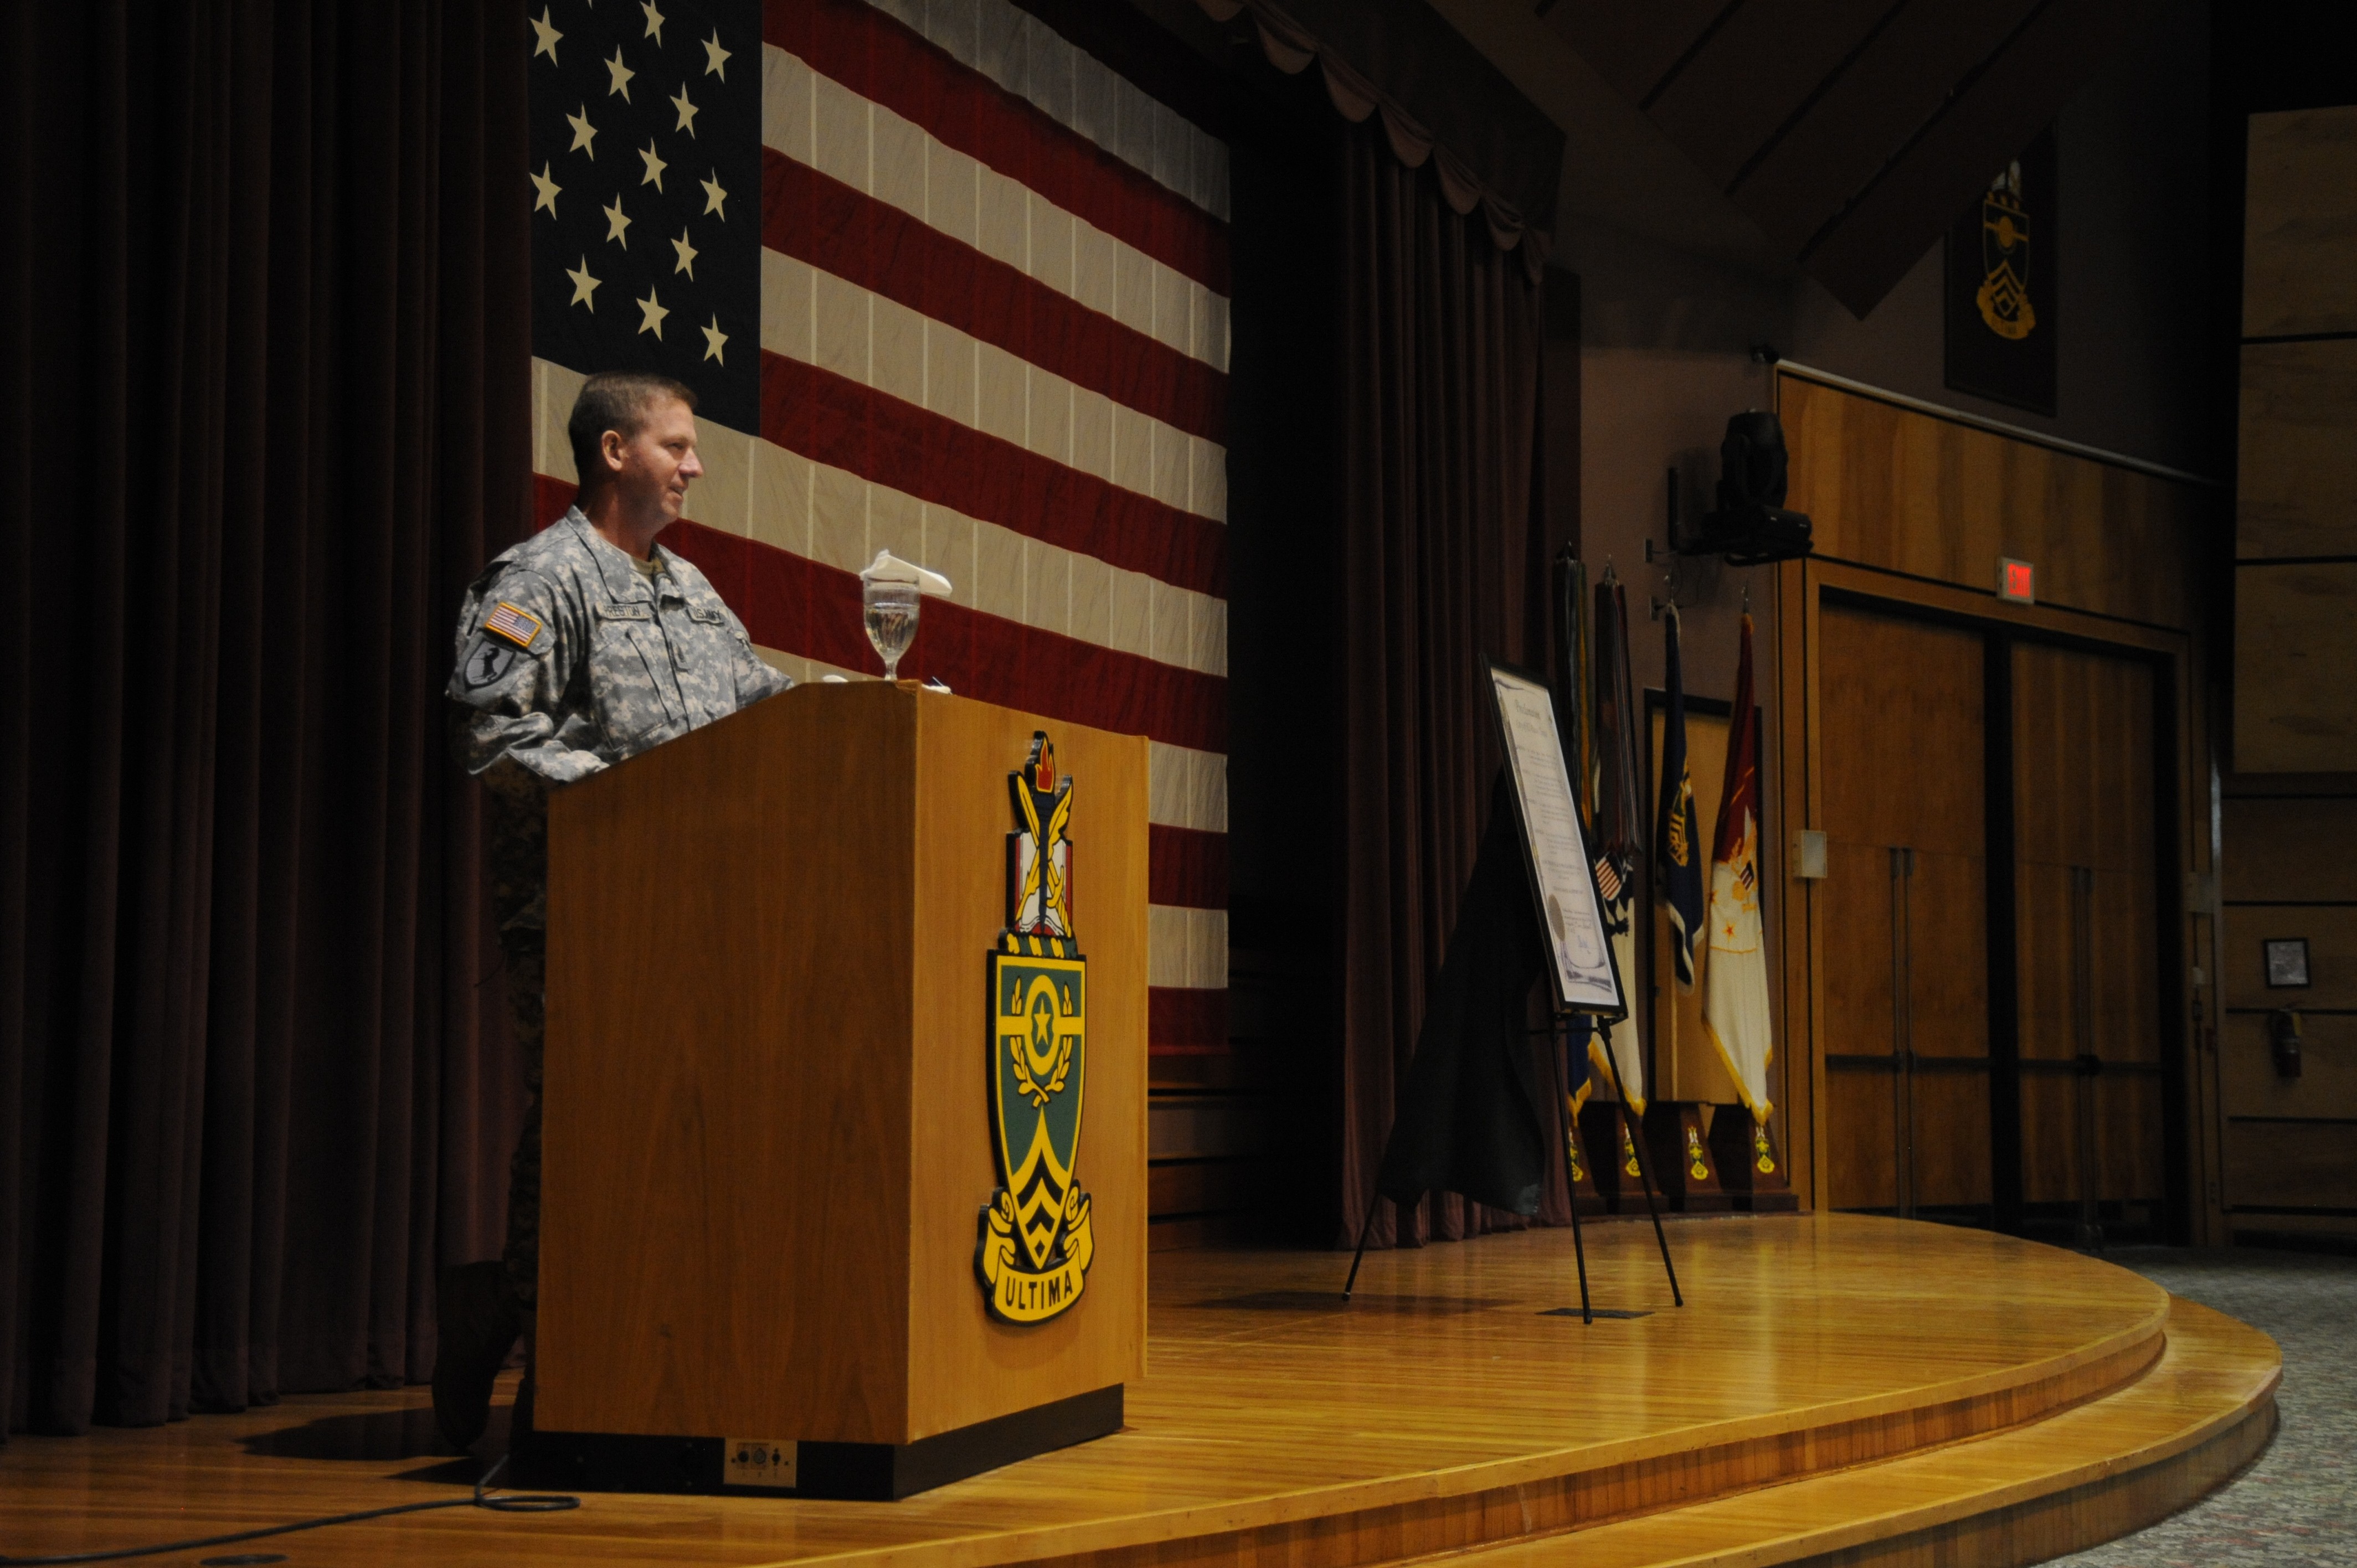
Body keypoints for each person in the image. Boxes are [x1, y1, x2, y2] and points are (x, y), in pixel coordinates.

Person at [433, 372, 791, 1451]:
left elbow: (760, 707)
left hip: (695, 917)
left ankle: (516, 1324)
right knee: (591, 1125)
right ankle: (565, 1362)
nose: (695, 465)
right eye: (675, 446)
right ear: (613, 453)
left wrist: (866, 714)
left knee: (644, 1131)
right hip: (579, 908)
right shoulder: (540, 578)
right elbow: (490, 733)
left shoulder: (690, 591)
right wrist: (627, 799)